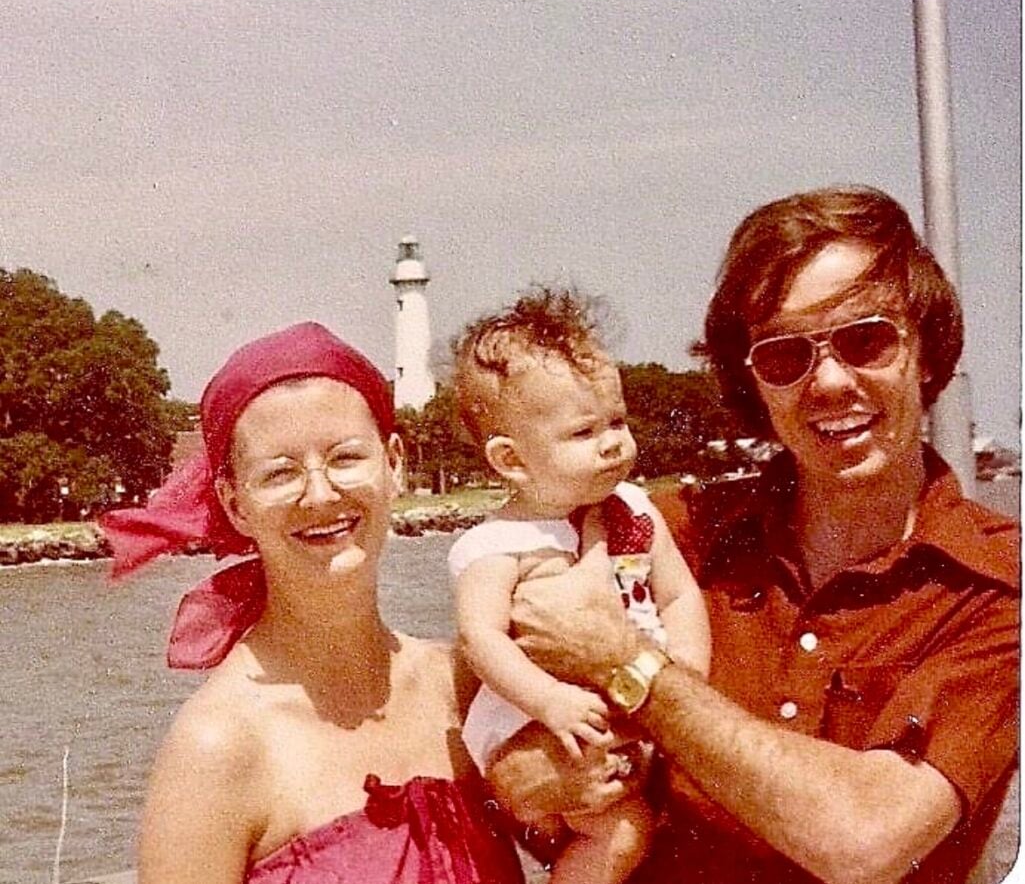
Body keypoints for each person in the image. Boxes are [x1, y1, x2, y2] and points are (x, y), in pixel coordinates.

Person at [500, 185, 1020, 883]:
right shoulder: (664, 535)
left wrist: (628, 666)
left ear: (924, 352)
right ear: (752, 382)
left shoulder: (998, 587)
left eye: (865, 339)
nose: (830, 382)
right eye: (785, 356)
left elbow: (867, 841)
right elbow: (494, 718)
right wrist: (526, 771)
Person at [101, 322, 525, 884]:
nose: (321, 494)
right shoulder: (218, 747)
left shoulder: (468, 687)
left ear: (393, 463)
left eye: (346, 458)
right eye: (281, 472)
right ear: (235, 504)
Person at [448, 289, 712, 883]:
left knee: (659, 815)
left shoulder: (637, 511)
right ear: (511, 460)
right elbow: (480, 640)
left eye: (617, 420)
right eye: (584, 431)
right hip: (534, 716)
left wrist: (689, 674)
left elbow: (678, 595)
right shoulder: (495, 545)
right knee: (622, 830)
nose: (613, 441)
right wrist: (549, 701)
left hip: (633, 700)